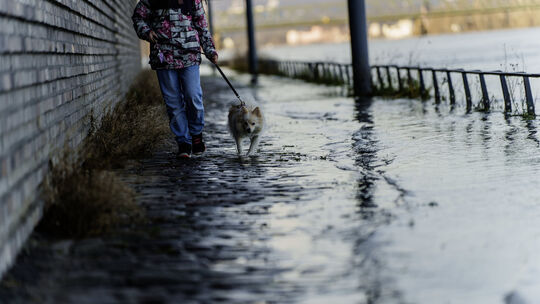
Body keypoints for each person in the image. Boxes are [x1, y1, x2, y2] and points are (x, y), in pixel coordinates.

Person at [132, 0, 218, 158]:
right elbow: (138, 17)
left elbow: (202, 26)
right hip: (163, 56)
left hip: (189, 56)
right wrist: (147, 31)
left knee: (193, 96)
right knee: (173, 102)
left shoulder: (194, 1)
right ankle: (183, 142)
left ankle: (196, 134)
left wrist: (210, 50)